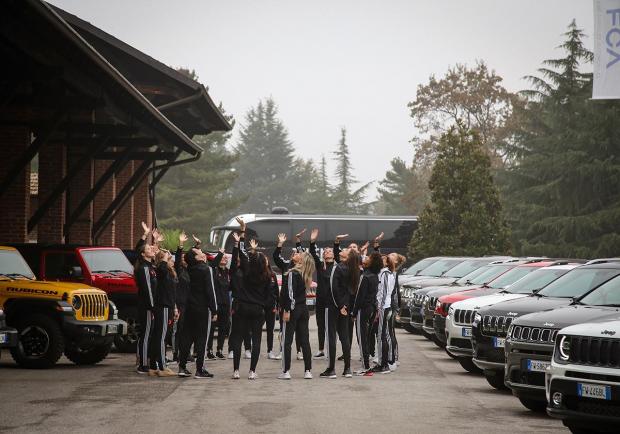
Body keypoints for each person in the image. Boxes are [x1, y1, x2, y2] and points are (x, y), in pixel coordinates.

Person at [230, 218, 270, 380]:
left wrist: (242, 232)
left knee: (238, 338)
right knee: (257, 340)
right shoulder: (267, 276)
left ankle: (236, 371)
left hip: (241, 307)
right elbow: (268, 297)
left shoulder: (245, 271)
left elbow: (241, 253)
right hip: (257, 309)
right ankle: (252, 371)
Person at [177, 245, 220, 378]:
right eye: (199, 252)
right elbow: (210, 290)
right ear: (196, 257)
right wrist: (214, 310)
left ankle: (182, 367)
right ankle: (200, 369)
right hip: (202, 308)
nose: (202, 253)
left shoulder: (188, 269)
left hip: (189, 308)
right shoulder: (206, 269)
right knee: (202, 338)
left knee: (187, 337)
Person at [320, 244, 357, 379]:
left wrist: (340, 305)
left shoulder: (338, 268)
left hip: (334, 307)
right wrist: (347, 306)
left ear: (347, 257)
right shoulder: (352, 270)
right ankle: (347, 369)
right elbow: (352, 291)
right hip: (345, 308)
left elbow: (333, 288)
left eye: (346, 250)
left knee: (331, 338)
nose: (343, 250)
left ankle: (331, 369)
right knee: (345, 337)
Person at [279, 251, 315, 380]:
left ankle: (286, 371)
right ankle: (308, 370)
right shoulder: (305, 274)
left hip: (293, 310)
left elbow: (290, 294)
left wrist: (287, 310)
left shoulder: (293, 274)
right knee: (305, 340)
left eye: (300, 253)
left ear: (301, 260)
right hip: (303, 309)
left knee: (287, 341)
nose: (296, 253)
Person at [273, 230, 306, 360]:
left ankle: (299, 351)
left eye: (297, 253)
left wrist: (298, 242)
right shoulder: (286, 265)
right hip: (285, 302)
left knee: (300, 329)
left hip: (298, 304)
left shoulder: (303, 267)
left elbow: (304, 255)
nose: (295, 254)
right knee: (284, 327)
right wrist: (280, 244)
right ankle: (282, 351)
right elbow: (276, 257)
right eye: (294, 253)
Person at [308, 229, 339, 359]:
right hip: (321, 300)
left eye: (330, 251)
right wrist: (312, 241)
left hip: (332, 301)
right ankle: (321, 349)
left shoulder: (338, 267)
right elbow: (312, 254)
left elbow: (337, 254)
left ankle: (331, 349)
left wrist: (336, 243)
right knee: (321, 325)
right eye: (325, 251)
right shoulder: (321, 266)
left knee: (332, 327)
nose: (327, 252)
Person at [150, 248, 178, 377]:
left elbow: (172, 293)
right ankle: (162, 366)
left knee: (160, 336)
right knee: (161, 336)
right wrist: (164, 259)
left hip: (169, 306)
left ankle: (153, 365)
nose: (170, 261)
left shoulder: (168, 272)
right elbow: (161, 268)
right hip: (163, 307)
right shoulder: (162, 270)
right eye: (168, 259)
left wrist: (175, 307)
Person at [352, 252, 381, 375]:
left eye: (368, 257)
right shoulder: (375, 275)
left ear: (372, 262)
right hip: (372, 309)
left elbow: (359, 296)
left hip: (363, 310)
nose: (366, 258)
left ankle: (365, 367)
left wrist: (353, 312)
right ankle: (367, 364)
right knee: (367, 337)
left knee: (362, 338)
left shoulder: (365, 276)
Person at [135, 223, 158, 375]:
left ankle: (147, 359)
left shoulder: (151, 266)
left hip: (150, 306)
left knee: (148, 334)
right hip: (147, 306)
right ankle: (142, 364)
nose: (152, 250)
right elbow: (148, 290)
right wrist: (152, 307)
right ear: (143, 254)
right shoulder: (143, 268)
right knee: (145, 334)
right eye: (148, 249)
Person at [373, 255, 396, 374]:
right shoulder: (382, 273)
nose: (380, 261)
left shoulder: (386, 274)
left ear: (387, 263)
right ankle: (385, 362)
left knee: (381, 336)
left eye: (383, 259)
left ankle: (384, 364)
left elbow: (385, 292)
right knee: (384, 334)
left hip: (384, 307)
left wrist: (379, 309)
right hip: (384, 307)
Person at [207, 248, 231, 360]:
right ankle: (209, 349)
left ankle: (219, 349)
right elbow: (212, 264)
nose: (225, 258)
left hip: (226, 304)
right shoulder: (214, 270)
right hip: (216, 304)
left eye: (226, 257)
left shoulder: (228, 272)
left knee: (223, 328)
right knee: (212, 328)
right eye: (223, 256)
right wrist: (220, 253)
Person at [172, 232, 190, 363]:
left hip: (189, 303)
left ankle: (185, 352)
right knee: (178, 330)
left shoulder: (190, 270)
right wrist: (181, 245)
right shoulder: (179, 270)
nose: (183, 260)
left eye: (185, 258)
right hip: (180, 303)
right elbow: (178, 260)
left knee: (186, 330)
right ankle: (175, 353)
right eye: (182, 258)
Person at [265, 258, 281, 360]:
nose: (265, 261)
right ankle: (250, 349)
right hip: (258, 306)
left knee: (270, 330)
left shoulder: (272, 275)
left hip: (271, 307)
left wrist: (277, 305)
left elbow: (276, 292)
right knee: (254, 330)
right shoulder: (255, 274)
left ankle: (269, 350)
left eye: (266, 260)